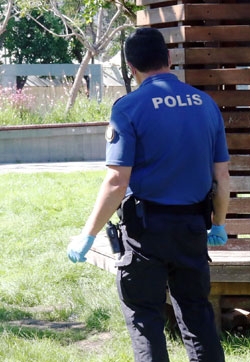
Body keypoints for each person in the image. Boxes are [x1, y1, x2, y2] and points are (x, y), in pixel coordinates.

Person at [66, 27, 230, 362]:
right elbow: (222, 177)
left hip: (146, 232)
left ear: (130, 66)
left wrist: (87, 235)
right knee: (198, 315)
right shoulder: (205, 104)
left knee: (145, 318)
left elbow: (116, 182)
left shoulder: (128, 108)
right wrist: (218, 223)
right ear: (169, 59)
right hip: (193, 228)